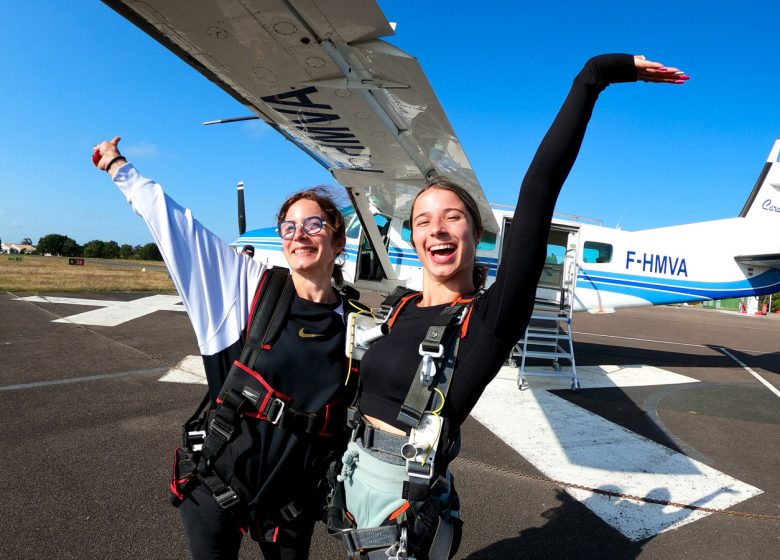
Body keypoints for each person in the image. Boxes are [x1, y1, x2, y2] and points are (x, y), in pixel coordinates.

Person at [332, 54, 688, 559]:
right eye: (424, 219)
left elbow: (539, 187)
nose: (438, 227)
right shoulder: (396, 307)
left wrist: (593, 76)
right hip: (350, 486)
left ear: (478, 235)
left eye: (453, 217)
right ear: (411, 236)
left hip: (400, 512)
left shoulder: (489, 319)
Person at [91, 139, 357, 560]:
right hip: (217, 487)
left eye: (314, 224)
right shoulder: (245, 286)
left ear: (338, 241)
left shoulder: (358, 323)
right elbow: (176, 225)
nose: (299, 234)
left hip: (291, 503)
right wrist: (118, 166)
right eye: (288, 226)